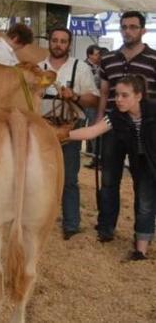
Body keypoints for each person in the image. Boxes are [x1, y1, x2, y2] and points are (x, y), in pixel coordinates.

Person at [60, 75, 156, 261]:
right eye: (116, 95)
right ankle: (140, 252)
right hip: (140, 163)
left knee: (146, 203)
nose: (118, 100)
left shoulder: (153, 111)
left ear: (139, 96)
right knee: (145, 202)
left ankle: (142, 244)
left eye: (124, 95)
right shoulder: (116, 116)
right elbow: (92, 131)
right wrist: (62, 135)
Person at [95, 11, 156, 243]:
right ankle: (106, 228)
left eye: (133, 26)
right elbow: (103, 93)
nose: (128, 31)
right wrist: (99, 120)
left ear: (143, 30)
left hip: (145, 130)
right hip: (113, 127)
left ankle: (143, 234)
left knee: (144, 183)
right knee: (109, 180)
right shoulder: (108, 58)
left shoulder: (154, 58)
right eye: (124, 26)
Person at [38, 27, 99, 240]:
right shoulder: (39, 68)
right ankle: (40, 218)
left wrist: (74, 96)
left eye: (63, 41)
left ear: (69, 44)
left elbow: (94, 99)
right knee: (40, 175)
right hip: (42, 128)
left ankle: (71, 223)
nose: (58, 44)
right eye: (55, 40)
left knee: (69, 177)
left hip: (70, 128)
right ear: (49, 42)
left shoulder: (80, 68)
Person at [84, 44, 104, 163]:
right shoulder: (82, 67)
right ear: (89, 55)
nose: (98, 56)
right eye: (96, 54)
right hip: (83, 102)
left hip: (94, 103)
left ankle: (96, 158)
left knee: (93, 129)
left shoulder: (100, 67)